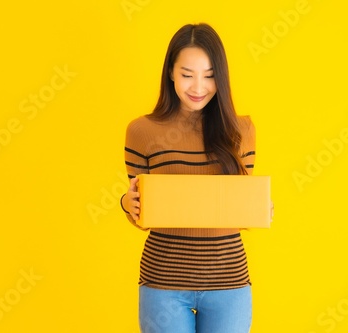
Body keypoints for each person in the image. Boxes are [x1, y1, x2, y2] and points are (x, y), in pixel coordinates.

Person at [120, 23, 257, 333]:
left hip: (228, 280)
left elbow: (237, 209)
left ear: (221, 78)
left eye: (209, 76)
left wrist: (258, 207)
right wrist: (127, 203)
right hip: (163, 281)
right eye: (187, 74)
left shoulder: (242, 130)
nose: (198, 87)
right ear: (170, 72)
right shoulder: (141, 132)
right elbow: (143, 211)